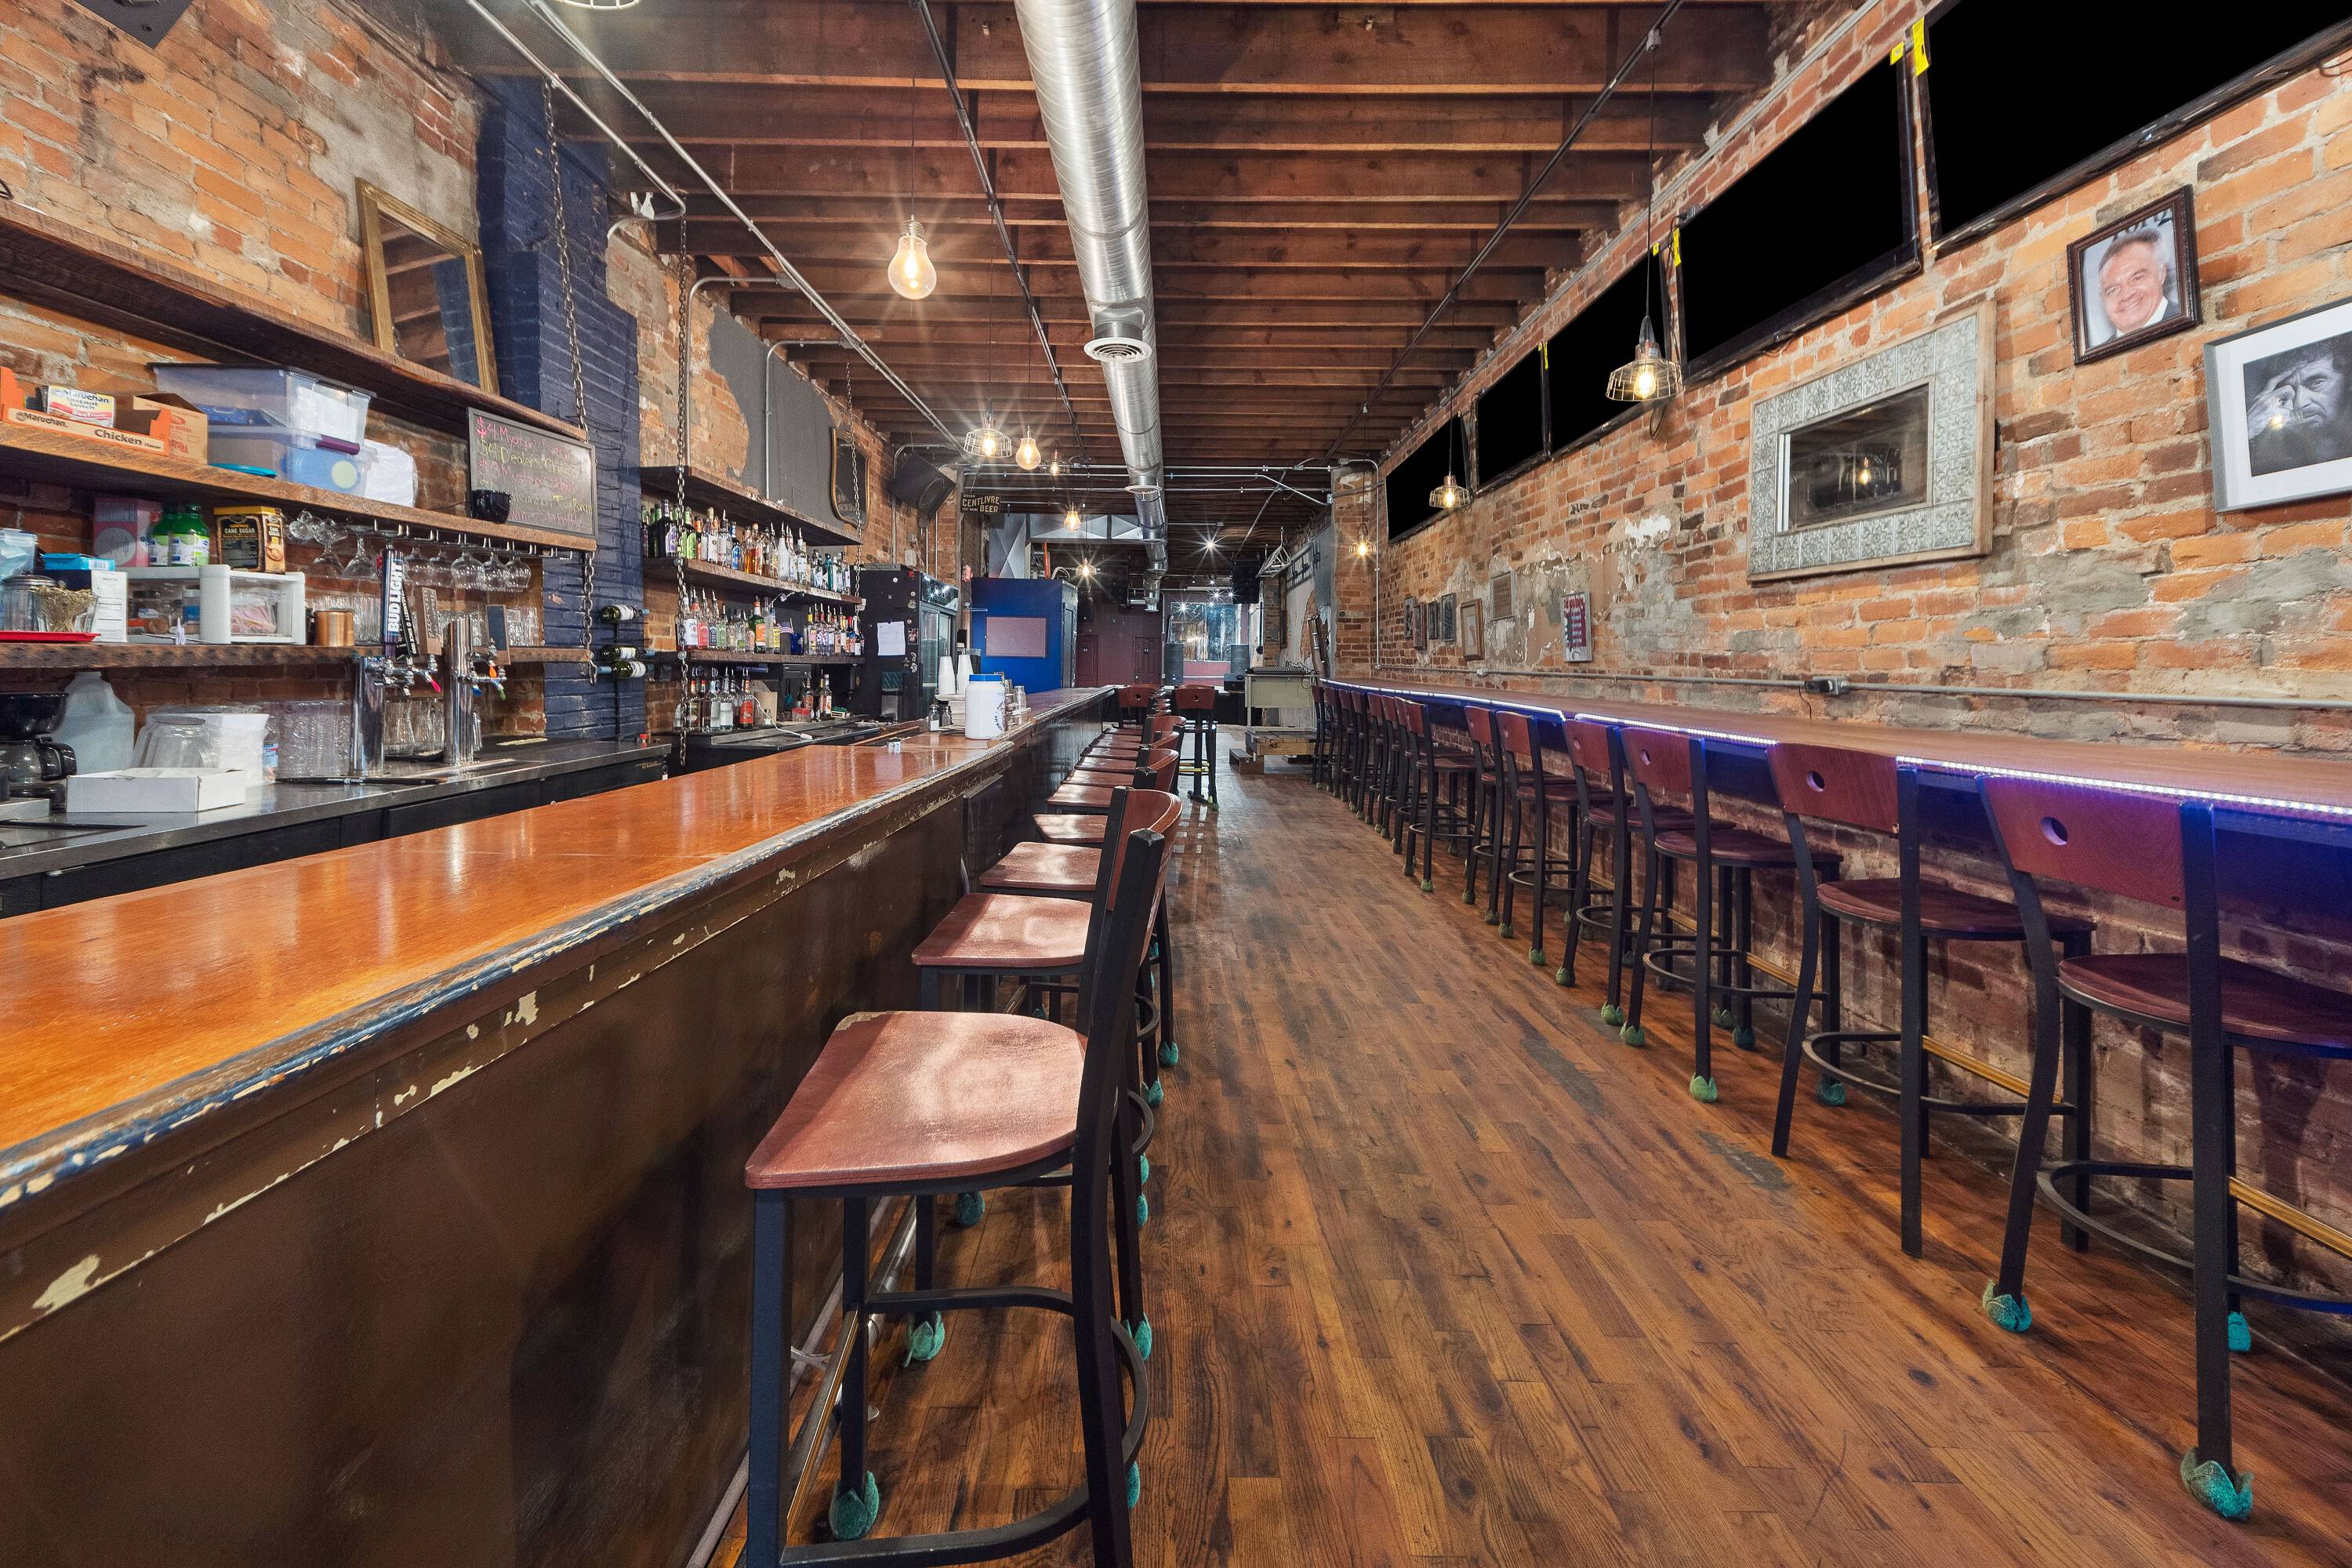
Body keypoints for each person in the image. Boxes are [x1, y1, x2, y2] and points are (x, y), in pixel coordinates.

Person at [2245, 336, 2352, 477]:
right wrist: (2249, 428)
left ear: (2349, 381)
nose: (2299, 403)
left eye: (2317, 383)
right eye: (2289, 390)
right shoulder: (2276, 463)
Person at [2092, 225, 2176, 345]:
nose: (2127, 295)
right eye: (2113, 290)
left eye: (2137, 278)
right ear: (2103, 300)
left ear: (2161, 273)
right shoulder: (2100, 353)